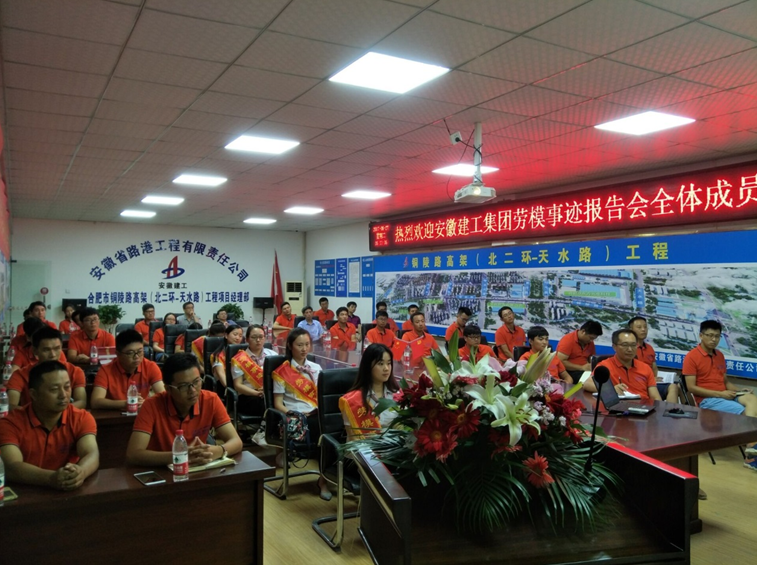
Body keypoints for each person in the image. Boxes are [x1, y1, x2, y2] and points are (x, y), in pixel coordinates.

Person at [126, 353, 242, 467]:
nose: (192, 390)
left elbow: (236, 441)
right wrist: (180, 456)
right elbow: (133, 454)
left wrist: (219, 450)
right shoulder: (151, 406)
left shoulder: (211, 400)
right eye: (184, 386)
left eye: (196, 382)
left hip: (197, 469)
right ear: (168, 389)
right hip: (162, 470)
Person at [0, 360, 99, 490]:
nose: (63, 395)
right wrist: (51, 478)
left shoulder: (81, 418)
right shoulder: (11, 423)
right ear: (34, 394)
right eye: (54, 389)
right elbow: (11, 465)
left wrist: (81, 472)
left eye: (67, 387)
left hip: (68, 489)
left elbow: (91, 454)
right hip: (25, 492)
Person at [272, 328, 331, 499]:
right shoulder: (282, 371)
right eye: (299, 345)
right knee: (325, 432)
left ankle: (325, 477)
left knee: (336, 429)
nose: (304, 349)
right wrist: (296, 414)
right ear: (290, 346)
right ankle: (325, 481)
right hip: (296, 417)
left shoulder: (316, 368)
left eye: (307, 344)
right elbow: (277, 404)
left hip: (316, 414)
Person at [683, 320, 757, 417]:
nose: (714, 339)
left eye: (717, 336)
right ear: (701, 336)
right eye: (710, 335)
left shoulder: (719, 355)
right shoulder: (691, 357)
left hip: (725, 395)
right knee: (743, 411)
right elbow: (691, 388)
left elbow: (725, 382)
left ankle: (750, 425)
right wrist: (720, 394)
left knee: (753, 400)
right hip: (707, 399)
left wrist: (740, 390)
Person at [7, 326, 87, 409]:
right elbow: (11, 405)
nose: (53, 355)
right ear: (35, 351)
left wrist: (55, 412)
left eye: (57, 348)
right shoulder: (20, 375)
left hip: (65, 416)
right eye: (46, 350)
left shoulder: (75, 371)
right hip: (30, 417)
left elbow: (81, 402)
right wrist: (42, 413)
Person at [90, 329, 165, 410]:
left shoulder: (150, 366)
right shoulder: (105, 370)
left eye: (140, 351)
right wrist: (126, 403)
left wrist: (147, 403)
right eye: (130, 353)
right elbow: (95, 402)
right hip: (114, 414)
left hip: (141, 412)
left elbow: (163, 396)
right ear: (118, 354)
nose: (136, 357)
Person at [340, 343, 399, 440]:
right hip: (364, 448)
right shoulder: (353, 401)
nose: (386, 368)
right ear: (368, 366)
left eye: (389, 363)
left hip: (394, 446)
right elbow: (353, 439)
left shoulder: (397, 394)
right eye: (380, 364)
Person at [584, 329, 661, 402]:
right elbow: (587, 384)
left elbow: (655, 397)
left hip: (644, 407)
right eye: (625, 345)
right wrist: (611, 390)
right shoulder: (605, 366)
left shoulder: (645, 368)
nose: (630, 349)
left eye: (633, 345)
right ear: (614, 347)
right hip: (618, 407)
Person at [230, 325, 275, 430]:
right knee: (265, 403)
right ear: (247, 339)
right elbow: (238, 385)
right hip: (248, 396)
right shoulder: (240, 359)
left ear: (265, 338)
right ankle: (266, 432)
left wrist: (267, 391)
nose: (258, 340)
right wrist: (257, 393)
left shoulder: (273, 355)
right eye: (254, 337)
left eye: (261, 337)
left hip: (268, 394)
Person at [629, 316, 680, 402]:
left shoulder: (649, 348)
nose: (643, 330)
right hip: (638, 383)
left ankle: (672, 410)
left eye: (645, 327)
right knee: (672, 387)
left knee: (677, 386)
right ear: (631, 329)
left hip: (651, 383)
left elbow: (654, 368)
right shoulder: (629, 349)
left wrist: (655, 378)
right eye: (639, 327)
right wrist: (650, 380)